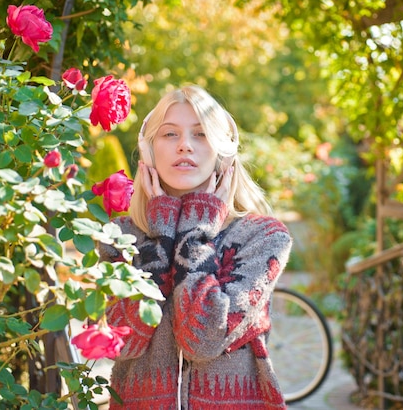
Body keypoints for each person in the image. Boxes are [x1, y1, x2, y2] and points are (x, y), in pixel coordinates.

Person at [99, 84, 293, 409]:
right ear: (148, 151)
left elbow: (202, 341)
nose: (185, 146)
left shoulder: (263, 237)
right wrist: (160, 237)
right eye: (170, 134)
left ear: (223, 151)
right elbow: (125, 341)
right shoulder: (120, 237)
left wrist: (196, 230)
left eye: (201, 134)